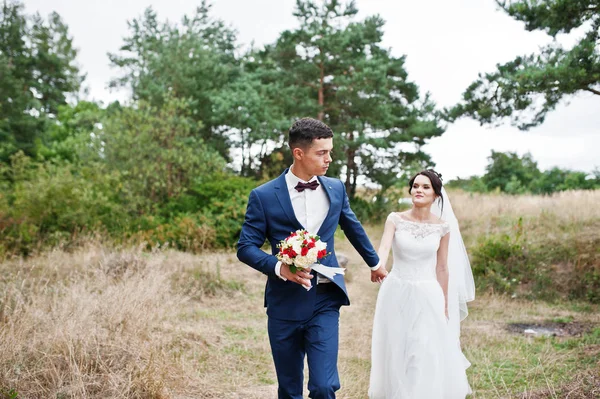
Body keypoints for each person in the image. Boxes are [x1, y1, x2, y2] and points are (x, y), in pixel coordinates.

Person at [237, 117, 387, 399]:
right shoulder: (264, 196)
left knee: (323, 385)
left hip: (326, 298)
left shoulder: (336, 188)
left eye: (330, 151)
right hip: (285, 302)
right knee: (290, 388)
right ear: (299, 153)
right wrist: (280, 267)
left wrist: (375, 264)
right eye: (322, 152)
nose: (329, 158)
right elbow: (246, 247)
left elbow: (352, 227)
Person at [368, 169, 475, 399]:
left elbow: (442, 267)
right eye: (416, 186)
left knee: (422, 349)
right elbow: (384, 247)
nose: (419, 190)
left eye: (426, 187)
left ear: (436, 195)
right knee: (397, 347)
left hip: (428, 293)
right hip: (396, 289)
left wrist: (445, 303)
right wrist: (378, 265)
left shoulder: (443, 227)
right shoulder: (395, 219)